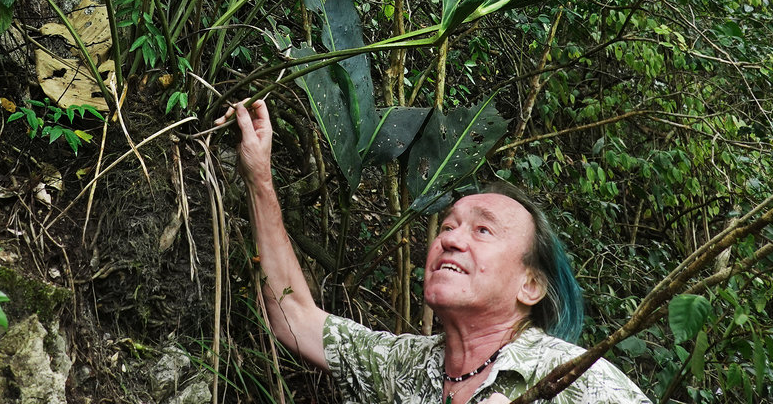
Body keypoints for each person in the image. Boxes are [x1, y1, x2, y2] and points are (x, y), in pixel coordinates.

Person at [227, 98, 651, 404]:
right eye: (447, 226)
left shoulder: (579, 380)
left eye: (482, 230)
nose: (451, 239)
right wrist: (259, 176)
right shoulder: (404, 366)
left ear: (531, 285)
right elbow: (295, 316)